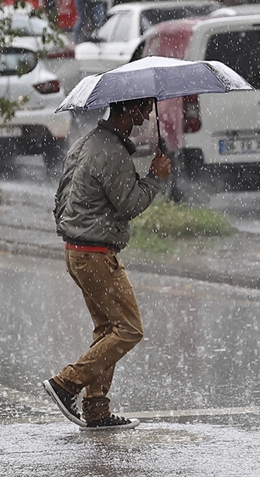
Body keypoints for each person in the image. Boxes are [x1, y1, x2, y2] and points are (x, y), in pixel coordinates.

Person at [42, 97, 171, 430]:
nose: (148, 116)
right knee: (128, 329)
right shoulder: (112, 151)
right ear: (130, 109)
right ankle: (65, 383)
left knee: (107, 330)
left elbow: (62, 195)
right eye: (145, 109)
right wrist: (155, 177)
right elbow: (130, 204)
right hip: (95, 254)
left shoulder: (88, 141)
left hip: (76, 250)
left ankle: (96, 408)